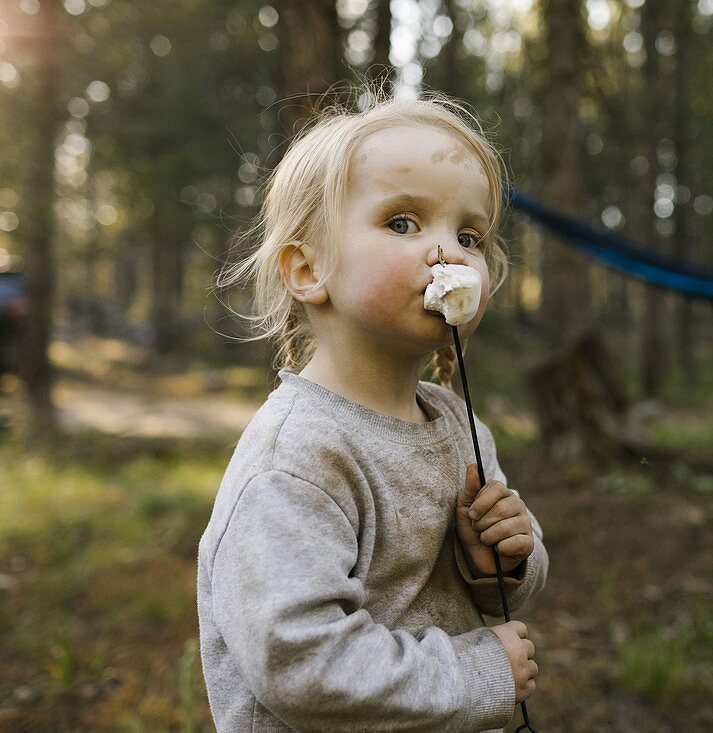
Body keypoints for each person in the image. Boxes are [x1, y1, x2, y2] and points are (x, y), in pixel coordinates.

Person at [197, 88, 548, 733]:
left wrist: (501, 561)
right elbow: (300, 665)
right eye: (403, 223)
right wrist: (477, 674)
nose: (448, 252)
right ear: (308, 269)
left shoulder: (460, 429)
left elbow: (497, 595)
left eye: (470, 234)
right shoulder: (297, 457)